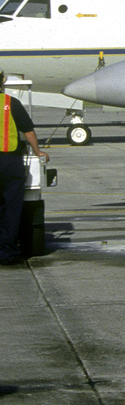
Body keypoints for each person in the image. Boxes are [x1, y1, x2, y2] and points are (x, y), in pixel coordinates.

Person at [1, 72, 49, 266]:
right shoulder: (10, 103)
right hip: (9, 160)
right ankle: (6, 252)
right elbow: (28, 131)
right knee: (12, 208)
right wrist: (38, 152)